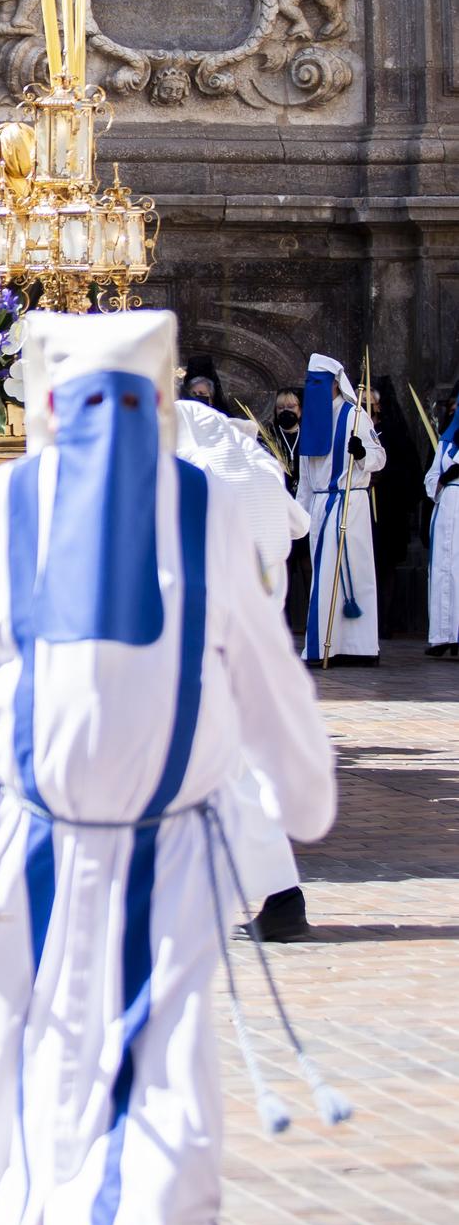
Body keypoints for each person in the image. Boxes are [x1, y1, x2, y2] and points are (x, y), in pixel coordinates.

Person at [0, 311, 335, 1225]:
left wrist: (300, 789)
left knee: (160, 1048)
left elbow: (258, 665)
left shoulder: (203, 508)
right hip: (14, 832)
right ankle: (28, 1224)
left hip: (167, 845)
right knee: (5, 1036)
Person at [175, 396, 314, 942]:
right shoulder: (254, 480)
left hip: (217, 652)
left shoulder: (210, 489)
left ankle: (280, 897)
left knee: (224, 770)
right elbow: (295, 525)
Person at [298, 353, 386, 665]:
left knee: (353, 572)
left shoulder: (354, 415)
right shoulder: (311, 419)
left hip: (351, 500)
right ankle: (327, 644)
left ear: (335, 384)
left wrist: (361, 453)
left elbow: (379, 457)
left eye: (319, 382)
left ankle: (357, 646)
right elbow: (306, 479)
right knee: (322, 572)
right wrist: (301, 516)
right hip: (322, 503)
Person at [368, 376, 424, 637]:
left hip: (388, 507)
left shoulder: (393, 431)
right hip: (361, 506)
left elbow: (409, 470)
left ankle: (384, 621)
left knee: (386, 565)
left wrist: (384, 475)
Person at [271, 388, 311, 634]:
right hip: (280, 511)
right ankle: (281, 622)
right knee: (283, 567)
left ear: (300, 410)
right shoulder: (269, 438)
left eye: (291, 407)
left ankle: (312, 619)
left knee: (308, 566)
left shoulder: (309, 436)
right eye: (281, 408)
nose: (287, 412)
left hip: (305, 508)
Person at [423, 384, 459, 657]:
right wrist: (444, 480)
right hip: (446, 508)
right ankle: (442, 634)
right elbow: (431, 477)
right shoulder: (446, 443)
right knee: (442, 571)